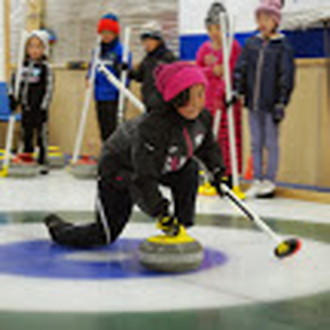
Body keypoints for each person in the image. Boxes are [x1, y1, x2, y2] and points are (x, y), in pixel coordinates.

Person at [44, 62, 226, 248]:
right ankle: (58, 229)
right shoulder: (154, 128)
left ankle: (182, 223)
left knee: (189, 168)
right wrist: (160, 212)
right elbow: (144, 179)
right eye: (187, 97)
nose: (195, 104)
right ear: (173, 97)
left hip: (159, 165)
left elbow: (206, 147)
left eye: (200, 95)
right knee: (105, 235)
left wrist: (218, 171)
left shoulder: (201, 118)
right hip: (120, 167)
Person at [233, 0, 295, 198]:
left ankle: (269, 180)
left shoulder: (282, 46)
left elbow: (286, 75)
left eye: (267, 18)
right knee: (255, 142)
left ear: (275, 21)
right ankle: (256, 179)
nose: (262, 22)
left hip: (271, 104)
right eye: (259, 18)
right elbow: (241, 69)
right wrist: (237, 90)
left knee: (271, 142)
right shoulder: (252, 43)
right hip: (253, 102)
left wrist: (281, 102)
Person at [196, 2, 243, 187]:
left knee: (230, 138)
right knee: (208, 139)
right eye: (210, 28)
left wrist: (226, 91)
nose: (214, 32)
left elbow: (235, 72)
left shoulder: (233, 47)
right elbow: (198, 72)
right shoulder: (204, 50)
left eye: (218, 27)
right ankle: (209, 172)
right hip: (208, 102)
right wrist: (212, 71)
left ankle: (230, 173)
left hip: (227, 102)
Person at [8, 30, 54, 175]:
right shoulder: (22, 67)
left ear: (44, 49)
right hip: (25, 107)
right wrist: (13, 98)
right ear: (26, 49)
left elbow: (49, 88)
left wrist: (43, 106)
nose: (34, 50)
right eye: (31, 46)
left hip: (39, 108)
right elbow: (13, 83)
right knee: (25, 134)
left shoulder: (46, 68)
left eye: (38, 47)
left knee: (41, 135)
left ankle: (43, 161)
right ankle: (27, 159)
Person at [89, 13, 131, 141]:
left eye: (109, 32)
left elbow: (126, 73)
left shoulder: (122, 51)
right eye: (103, 32)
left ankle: (117, 155)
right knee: (103, 127)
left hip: (114, 95)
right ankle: (106, 152)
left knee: (115, 127)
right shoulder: (97, 51)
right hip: (100, 94)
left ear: (115, 33)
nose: (106, 36)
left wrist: (123, 91)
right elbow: (92, 68)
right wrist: (89, 77)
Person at [129, 21, 177, 112]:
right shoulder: (147, 59)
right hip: (148, 104)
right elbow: (140, 76)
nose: (146, 44)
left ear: (157, 40)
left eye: (149, 40)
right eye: (144, 41)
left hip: (164, 106)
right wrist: (128, 71)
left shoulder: (168, 58)